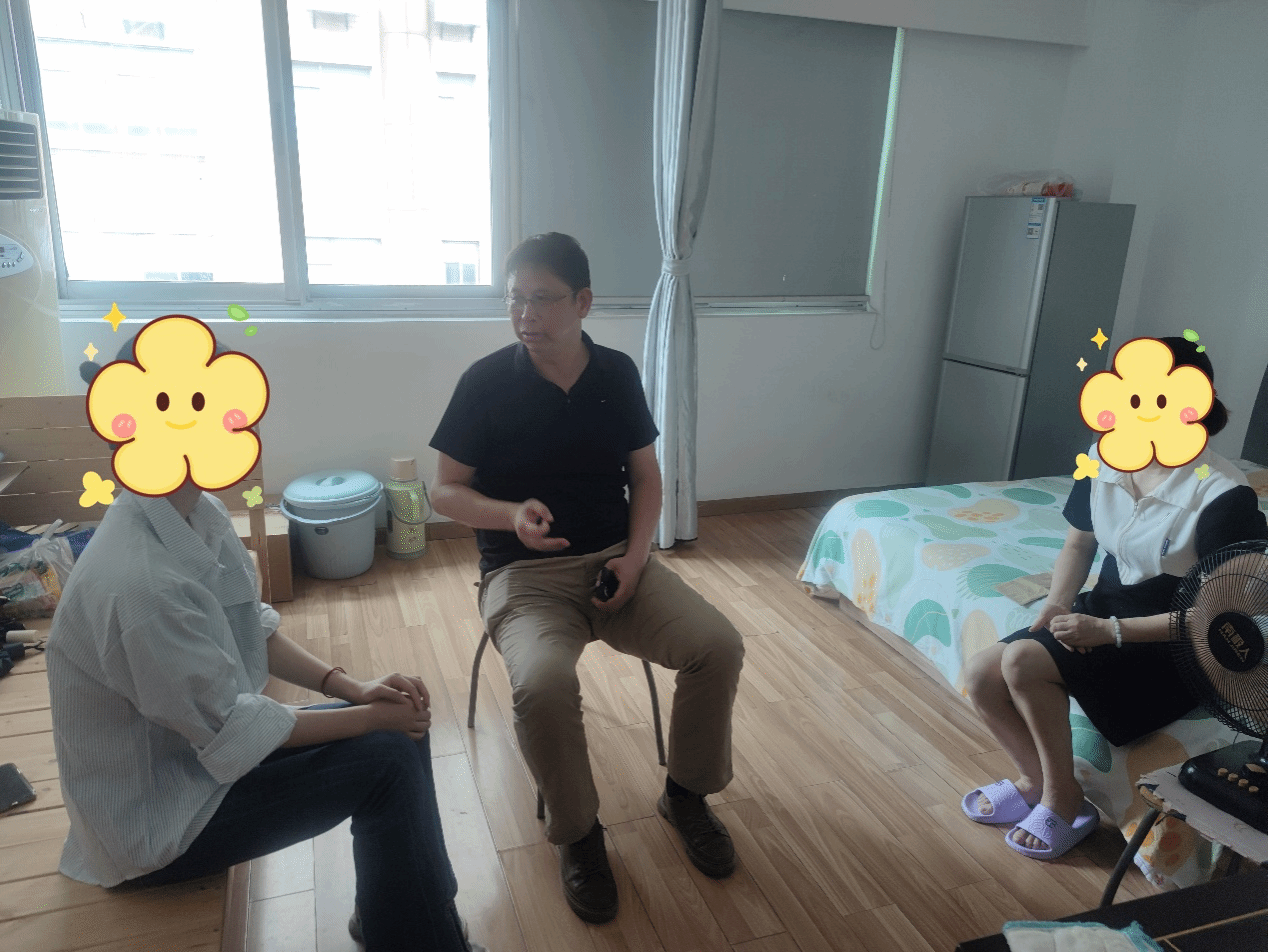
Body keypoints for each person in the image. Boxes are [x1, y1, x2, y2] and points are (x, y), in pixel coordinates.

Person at [429, 232, 745, 923]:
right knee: (544, 684)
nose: (526, 314)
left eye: (542, 299)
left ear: (583, 302)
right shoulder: (484, 382)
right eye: (515, 299)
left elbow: (646, 477)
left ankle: (686, 795)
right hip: (524, 579)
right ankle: (578, 834)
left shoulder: (616, 374)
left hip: (616, 563)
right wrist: (510, 514)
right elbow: (443, 491)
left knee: (717, 645)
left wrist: (636, 558)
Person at [46, 480, 488, 952]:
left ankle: (404, 915)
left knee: (403, 720)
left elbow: (247, 623)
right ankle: (420, 931)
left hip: (194, 762)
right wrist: (366, 718)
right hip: (158, 822)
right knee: (388, 759)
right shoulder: (141, 587)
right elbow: (233, 730)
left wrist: (351, 689)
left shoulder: (195, 512)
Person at [960, 336, 1268, 860]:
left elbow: (1222, 615)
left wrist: (1110, 633)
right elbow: (1078, 543)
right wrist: (1058, 603)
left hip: (1176, 641)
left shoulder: (1222, 494)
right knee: (981, 675)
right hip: (1107, 607)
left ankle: (1062, 802)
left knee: (1022, 663)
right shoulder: (1106, 458)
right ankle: (1036, 783)